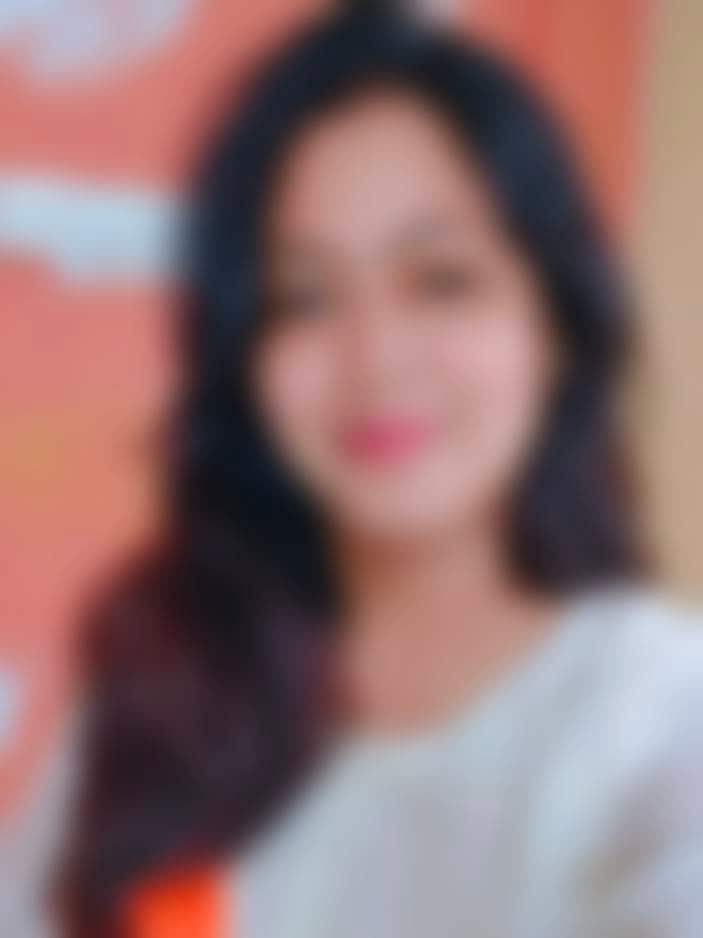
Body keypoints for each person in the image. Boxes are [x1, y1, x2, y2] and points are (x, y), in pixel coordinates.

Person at [4, 2, 703, 936]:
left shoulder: (658, 718)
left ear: (554, 324)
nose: (375, 358)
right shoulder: (165, 699)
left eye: (440, 281)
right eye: (305, 298)